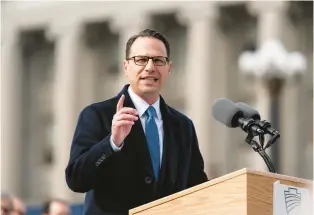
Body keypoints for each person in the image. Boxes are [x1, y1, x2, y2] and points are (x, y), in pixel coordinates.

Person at [65, 28, 208, 215]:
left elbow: (197, 187)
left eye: (158, 60)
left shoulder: (182, 126)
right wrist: (111, 143)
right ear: (126, 67)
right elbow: (76, 179)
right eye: (141, 60)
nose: (150, 67)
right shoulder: (97, 115)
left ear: (169, 68)